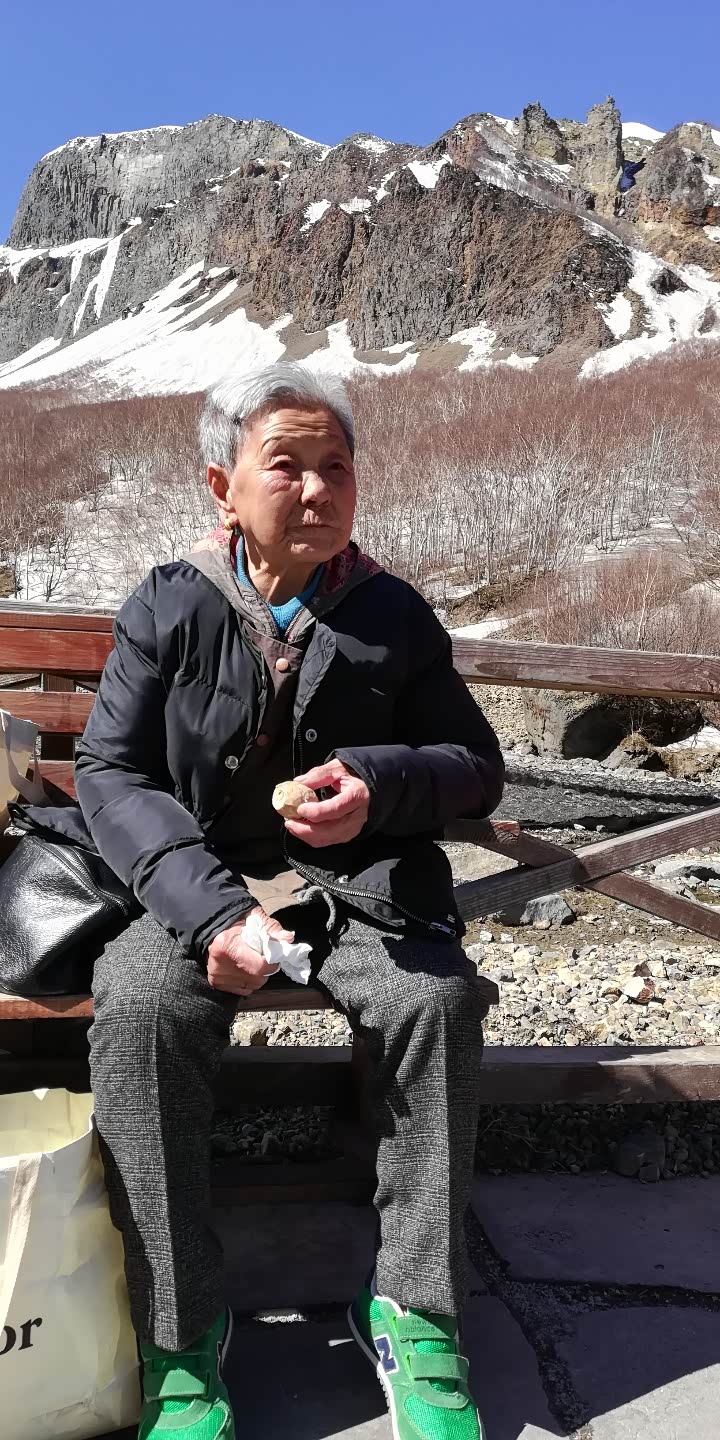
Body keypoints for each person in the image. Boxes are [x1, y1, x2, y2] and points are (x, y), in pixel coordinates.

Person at [75, 361, 505, 1440]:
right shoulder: (170, 604)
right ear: (222, 486)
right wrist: (214, 913)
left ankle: (418, 1315)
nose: (317, 489)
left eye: (336, 466)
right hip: (194, 881)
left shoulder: (391, 613)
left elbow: (475, 765)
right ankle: (182, 1335)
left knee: (435, 1002)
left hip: (358, 888)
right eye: (288, 465)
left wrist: (377, 787)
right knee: (141, 1010)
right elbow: (111, 774)